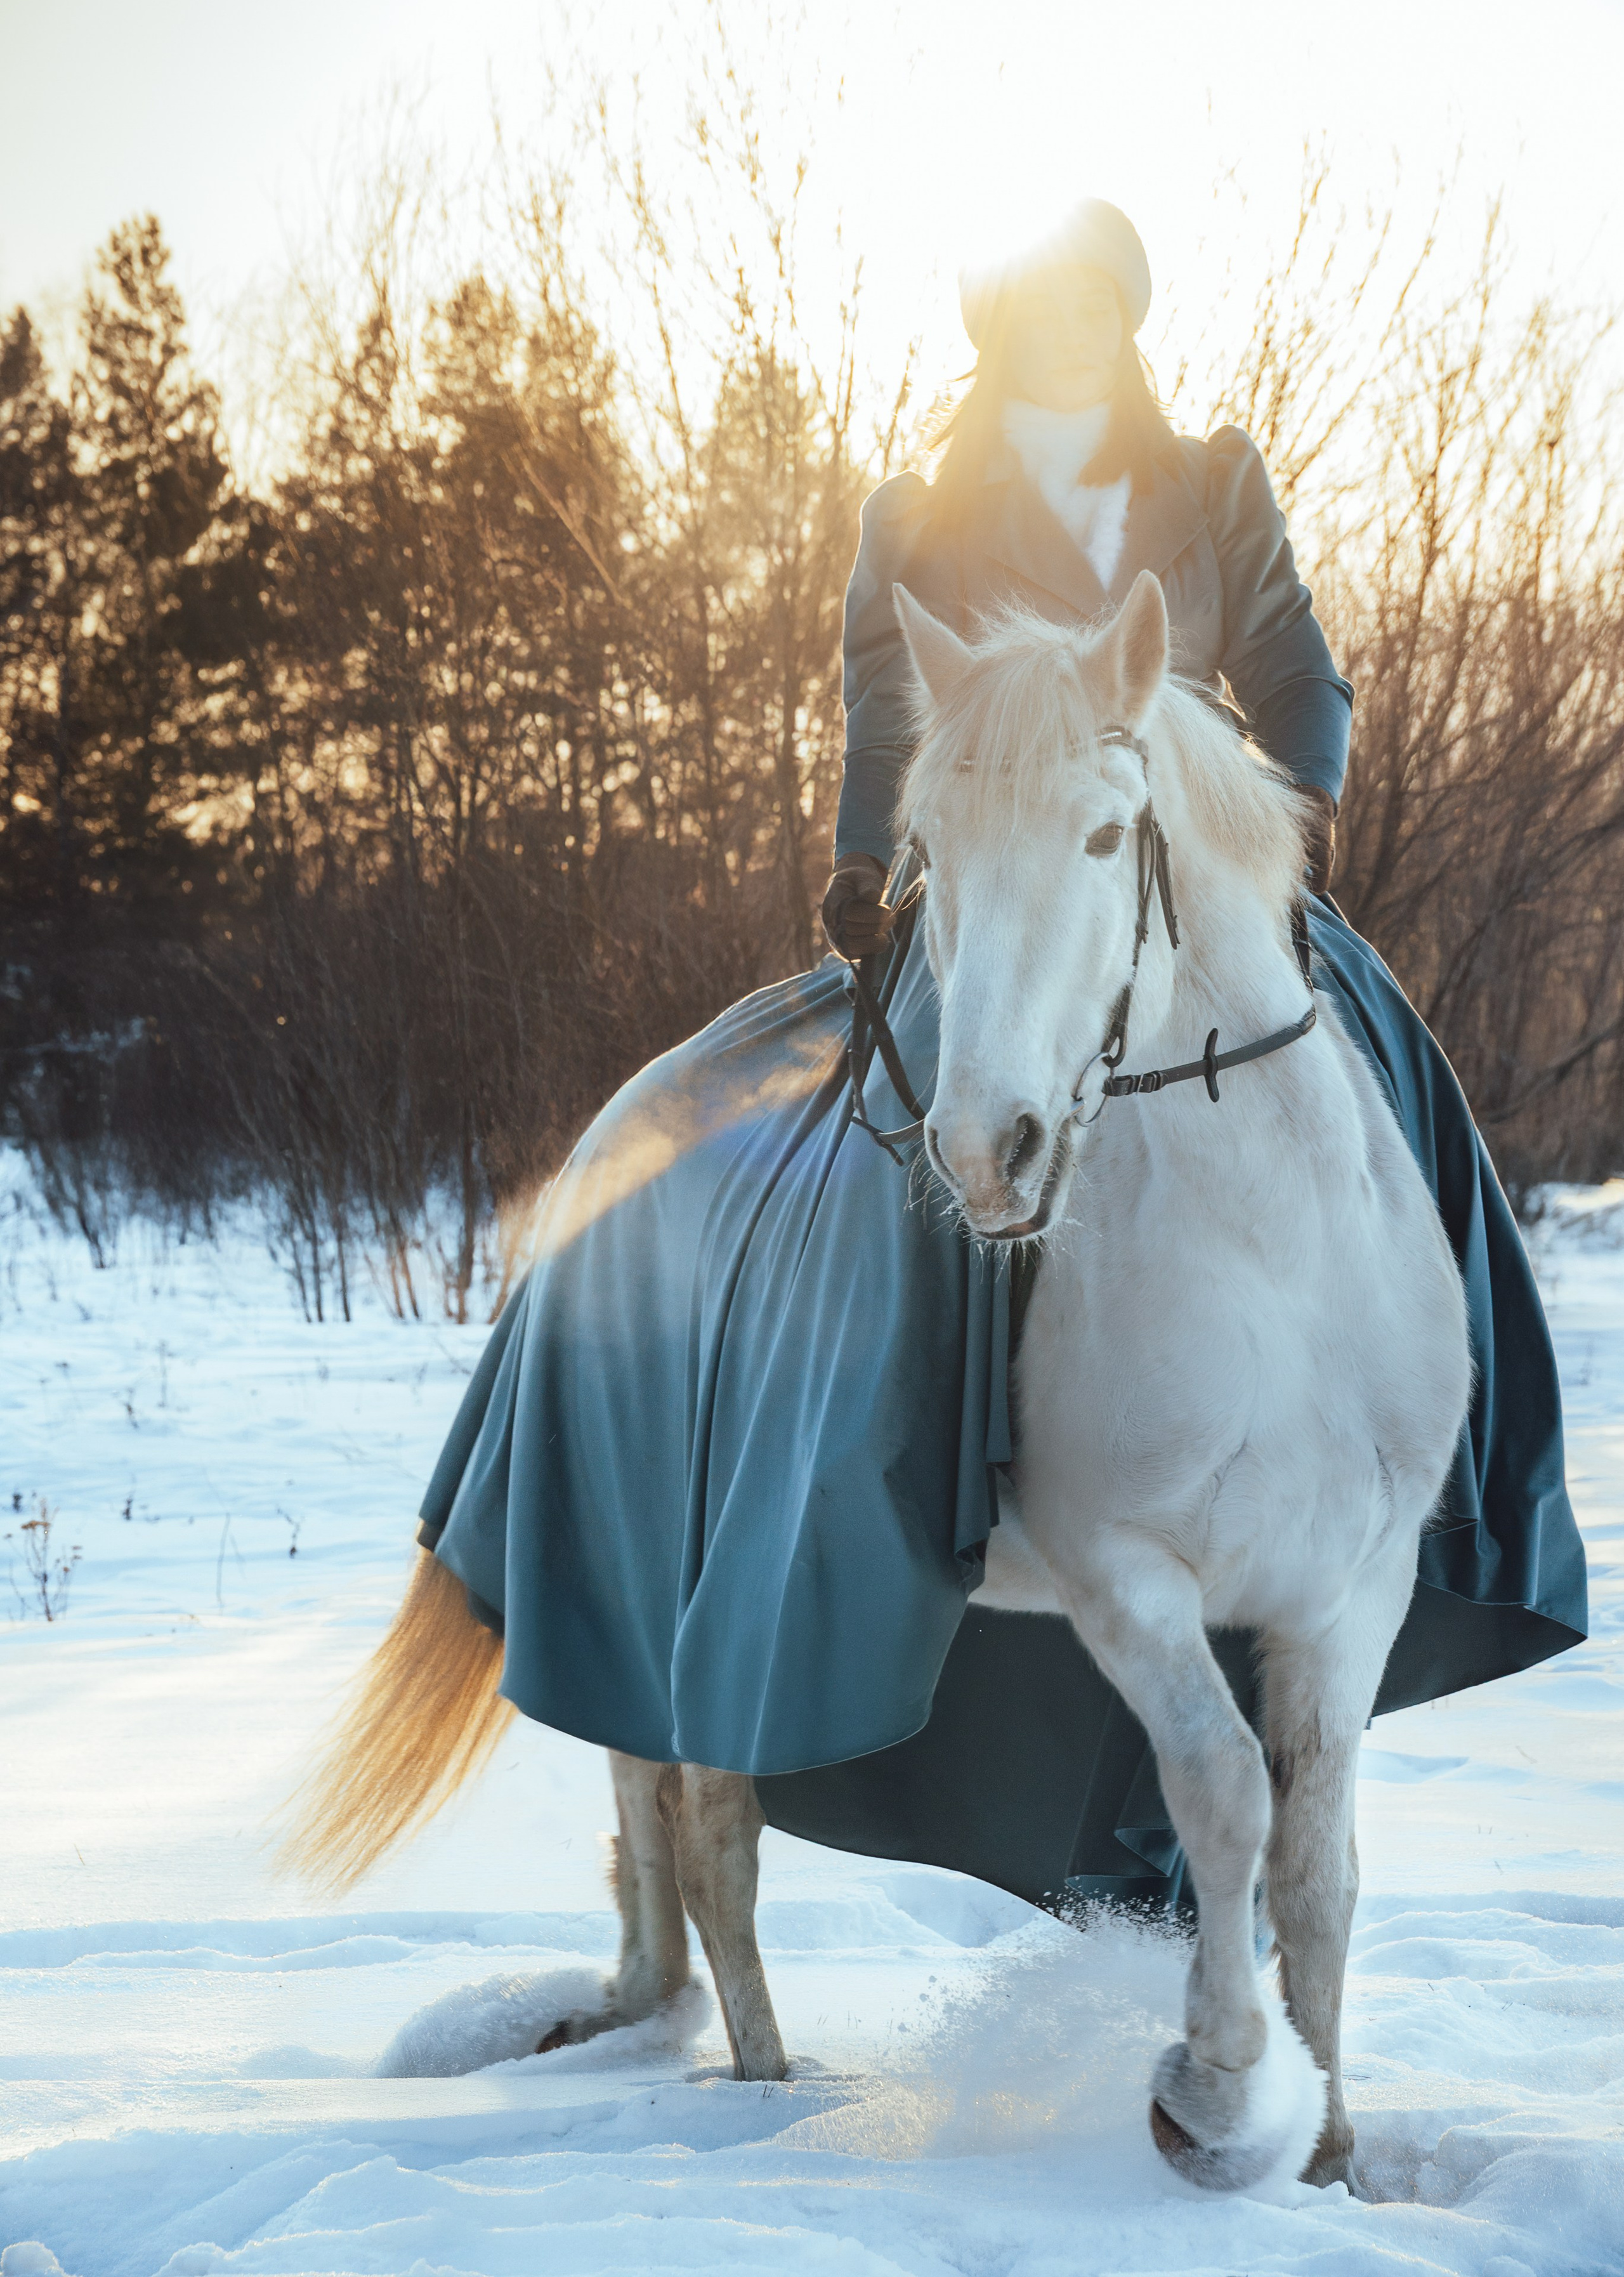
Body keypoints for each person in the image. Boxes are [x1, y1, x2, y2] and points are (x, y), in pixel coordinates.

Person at [419, 202, 1585, 1912]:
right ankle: (889, 1517)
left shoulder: (1214, 481)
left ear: (1121, 312)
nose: (1064, 332)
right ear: (996, 325)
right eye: (1031, 308)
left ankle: (1446, 1467)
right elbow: (886, 715)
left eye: (1087, 305)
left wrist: (1274, 810)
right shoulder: (919, 513)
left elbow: (1300, 675)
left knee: (1395, 1091)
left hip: (1183, 875)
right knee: (899, 1177)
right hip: (990, 906)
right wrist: (873, 864)